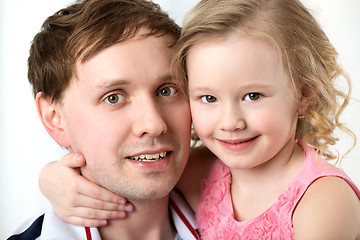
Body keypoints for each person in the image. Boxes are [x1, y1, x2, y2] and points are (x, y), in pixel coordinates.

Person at [36, 0, 360, 239]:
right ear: (54, 119)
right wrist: (52, 179)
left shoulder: (322, 202)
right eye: (209, 98)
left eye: (166, 90)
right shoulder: (207, 173)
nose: (230, 121)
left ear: (304, 94)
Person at [8, 0, 202, 239]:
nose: (153, 125)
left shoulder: (234, 216)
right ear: (54, 118)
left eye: (167, 90)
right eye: (113, 98)